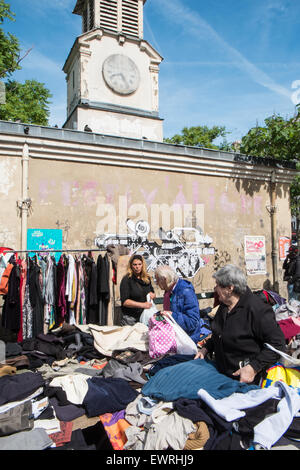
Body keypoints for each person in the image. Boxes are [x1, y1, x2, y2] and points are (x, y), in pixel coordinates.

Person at [194, 264, 286, 384]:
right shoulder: (224, 306)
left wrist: (253, 367)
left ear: (229, 288)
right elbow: (219, 334)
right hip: (224, 375)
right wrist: (206, 348)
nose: (215, 288)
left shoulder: (258, 310)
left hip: (248, 382)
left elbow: (278, 344)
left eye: (217, 285)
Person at [154, 265, 204, 343]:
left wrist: (172, 315)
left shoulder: (186, 291)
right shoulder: (168, 291)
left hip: (187, 339)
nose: (156, 283)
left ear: (165, 279)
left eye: (157, 280)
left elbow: (192, 322)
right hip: (174, 335)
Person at [120, 254, 156, 325]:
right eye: (135, 264)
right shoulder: (127, 280)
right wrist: (143, 305)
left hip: (145, 316)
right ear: (131, 266)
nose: (137, 267)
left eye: (139, 264)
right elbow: (125, 302)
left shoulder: (146, 278)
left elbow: (152, 292)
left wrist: (153, 295)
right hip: (131, 318)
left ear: (143, 265)